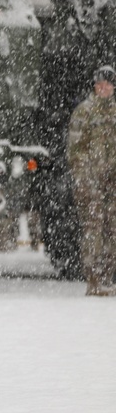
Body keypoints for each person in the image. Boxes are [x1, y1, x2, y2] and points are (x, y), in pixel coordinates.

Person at [67, 65, 116, 297]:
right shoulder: (84, 112)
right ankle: (93, 280)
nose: (103, 88)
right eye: (100, 84)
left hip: (112, 183)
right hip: (90, 182)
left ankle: (107, 278)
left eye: (107, 84)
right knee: (93, 229)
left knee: (112, 230)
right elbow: (76, 152)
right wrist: (86, 181)